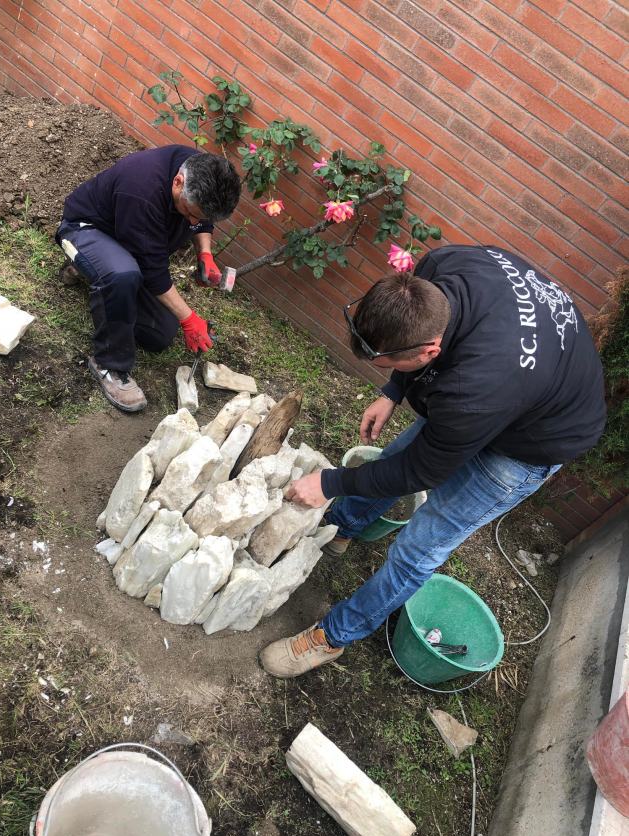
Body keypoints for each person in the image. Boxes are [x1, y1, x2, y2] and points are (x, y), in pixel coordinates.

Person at [259, 244, 606, 678]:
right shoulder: (444, 267)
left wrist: (330, 483)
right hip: (515, 388)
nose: (382, 367)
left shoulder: (472, 392)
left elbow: (421, 471)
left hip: (534, 440)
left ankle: (332, 638)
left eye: (387, 363)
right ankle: (343, 528)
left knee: (418, 548)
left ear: (429, 352)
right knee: (395, 455)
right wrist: (394, 389)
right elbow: (414, 360)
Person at [55, 145, 241, 412]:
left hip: (131, 241)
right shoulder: (141, 189)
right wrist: (189, 318)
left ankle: (104, 272)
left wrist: (205, 253)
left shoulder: (200, 169)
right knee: (122, 274)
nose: (191, 221)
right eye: (188, 212)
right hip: (85, 230)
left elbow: (201, 220)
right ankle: (109, 364)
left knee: (159, 335)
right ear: (178, 182)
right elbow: (152, 270)